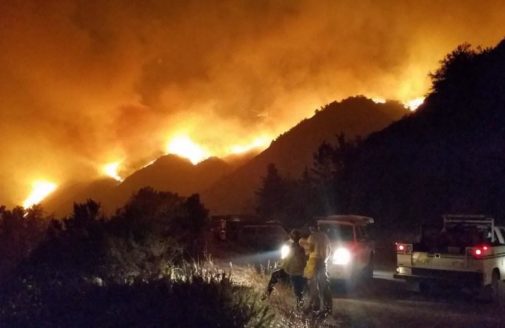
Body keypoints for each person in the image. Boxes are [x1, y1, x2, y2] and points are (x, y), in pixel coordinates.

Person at [264, 229, 307, 309]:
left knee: (274, 276)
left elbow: (287, 260)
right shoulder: (301, 248)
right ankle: (300, 307)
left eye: (292, 236)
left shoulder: (292, 247)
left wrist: (282, 265)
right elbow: (304, 261)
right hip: (298, 272)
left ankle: (266, 295)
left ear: (292, 237)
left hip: (291, 271)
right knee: (299, 292)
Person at [304, 224, 333, 317]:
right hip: (323, 262)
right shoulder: (325, 236)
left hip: (313, 261)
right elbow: (330, 250)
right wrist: (326, 259)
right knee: (324, 285)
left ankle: (315, 307)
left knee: (312, 284)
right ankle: (328, 308)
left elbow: (308, 251)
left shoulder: (311, 237)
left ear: (312, 229)